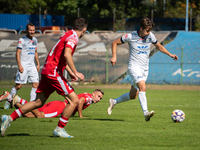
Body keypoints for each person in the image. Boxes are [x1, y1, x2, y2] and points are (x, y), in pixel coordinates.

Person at [0, 17, 88, 138]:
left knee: (38, 102)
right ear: (84, 29)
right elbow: (67, 55)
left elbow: (60, 56)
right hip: (53, 72)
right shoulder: (73, 38)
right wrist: (76, 71)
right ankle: (59, 129)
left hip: (47, 70)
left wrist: (71, 73)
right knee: (74, 100)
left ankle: (9, 118)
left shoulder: (68, 33)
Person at [107, 17, 178, 121]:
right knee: (143, 87)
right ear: (141, 28)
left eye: (150, 30)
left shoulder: (151, 36)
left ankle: (114, 101)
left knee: (133, 95)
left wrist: (170, 54)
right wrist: (114, 56)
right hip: (134, 67)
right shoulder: (131, 36)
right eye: (147, 30)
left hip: (144, 69)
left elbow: (159, 46)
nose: (149, 33)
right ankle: (146, 113)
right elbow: (115, 43)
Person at [4, 23, 40, 110]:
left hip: (32, 66)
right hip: (23, 65)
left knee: (36, 84)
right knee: (19, 85)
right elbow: (18, 53)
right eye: (30, 30)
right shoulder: (22, 40)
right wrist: (20, 65)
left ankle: (31, 105)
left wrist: (38, 64)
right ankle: (8, 99)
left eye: (33, 30)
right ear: (27, 30)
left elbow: (35, 52)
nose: (32, 32)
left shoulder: (35, 40)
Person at [0, 89, 104, 118]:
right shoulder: (89, 98)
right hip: (59, 107)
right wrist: (80, 116)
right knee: (39, 115)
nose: (99, 99)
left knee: (27, 114)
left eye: (101, 98)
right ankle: (17, 99)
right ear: (93, 93)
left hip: (57, 104)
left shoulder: (88, 96)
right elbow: (81, 101)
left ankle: (10, 98)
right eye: (98, 96)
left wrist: (72, 113)